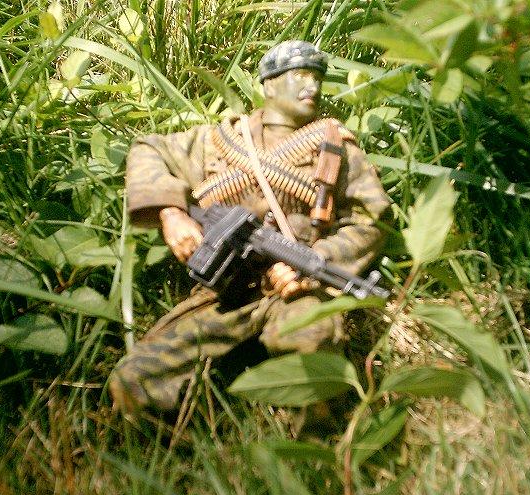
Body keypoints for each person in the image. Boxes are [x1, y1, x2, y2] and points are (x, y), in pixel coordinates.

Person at [109, 41, 390, 414]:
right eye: (300, 75)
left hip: (294, 290)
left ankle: (317, 442)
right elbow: (148, 148)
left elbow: (370, 219)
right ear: (269, 84)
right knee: (134, 380)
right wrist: (171, 213)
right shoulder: (218, 141)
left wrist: (318, 259)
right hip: (224, 291)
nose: (313, 87)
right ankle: (186, 440)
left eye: (317, 78)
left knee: (314, 346)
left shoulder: (336, 150)